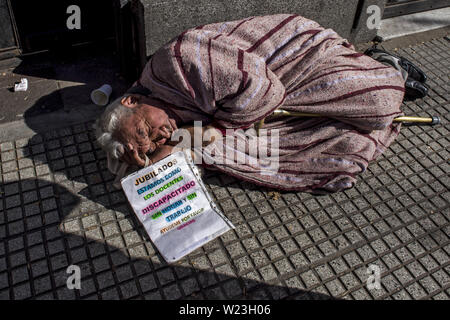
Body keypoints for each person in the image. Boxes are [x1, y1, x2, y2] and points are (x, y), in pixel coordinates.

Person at [95, 14, 428, 193]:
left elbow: (263, 89)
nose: (161, 135)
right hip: (256, 111)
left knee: (381, 104)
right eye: (153, 142)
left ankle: (385, 64)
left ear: (132, 99)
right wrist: (149, 156)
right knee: (345, 150)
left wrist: (205, 135)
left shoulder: (177, 62)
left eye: (146, 130)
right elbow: (124, 164)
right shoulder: (152, 113)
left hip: (296, 61)